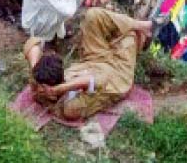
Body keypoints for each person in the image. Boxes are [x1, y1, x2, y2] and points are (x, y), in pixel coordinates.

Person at [23, 7, 156, 120]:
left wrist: (36, 68)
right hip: (117, 75)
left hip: (93, 61)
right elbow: (95, 80)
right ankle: (142, 36)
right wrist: (60, 89)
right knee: (130, 35)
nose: (39, 89)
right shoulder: (69, 107)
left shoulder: (40, 81)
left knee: (93, 15)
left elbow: (32, 42)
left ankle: (142, 25)